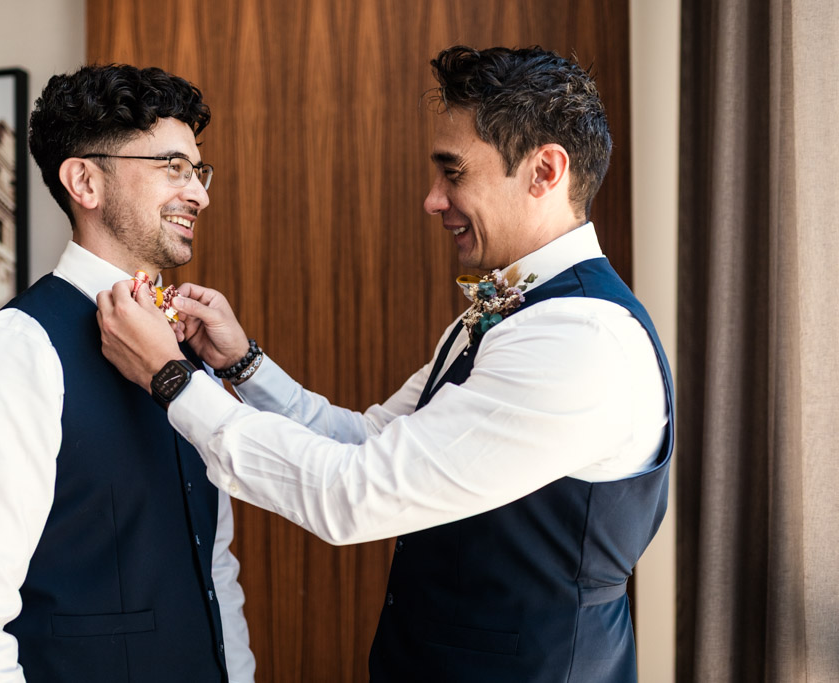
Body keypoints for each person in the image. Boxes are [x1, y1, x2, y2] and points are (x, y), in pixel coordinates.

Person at [97, 45, 673, 683]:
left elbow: (352, 493)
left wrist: (170, 379)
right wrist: (243, 365)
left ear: (544, 171)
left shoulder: (581, 340)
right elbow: (373, 440)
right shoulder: (511, 312)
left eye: (453, 172)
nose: (432, 199)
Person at [0, 64, 254, 682]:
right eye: (172, 167)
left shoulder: (191, 344)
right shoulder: (10, 352)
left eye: (197, 171)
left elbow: (216, 571)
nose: (200, 193)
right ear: (85, 182)